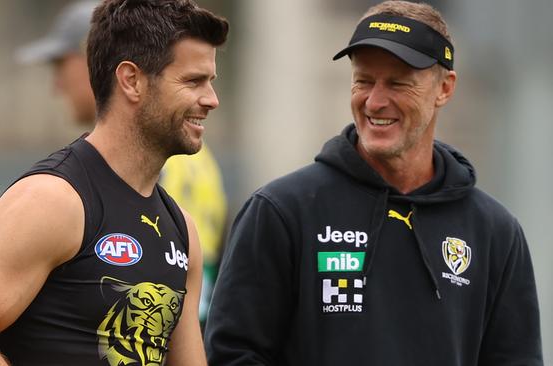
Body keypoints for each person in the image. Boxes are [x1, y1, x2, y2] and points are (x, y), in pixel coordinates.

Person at [204, 1, 542, 365]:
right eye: (364, 81)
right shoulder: (282, 212)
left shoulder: (494, 232)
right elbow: (232, 355)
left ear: (445, 88)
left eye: (398, 83)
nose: (375, 102)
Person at [0, 0, 229, 365]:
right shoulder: (52, 201)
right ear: (131, 80)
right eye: (193, 81)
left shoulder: (183, 231)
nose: (212, 100)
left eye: (210, 81)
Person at [16, 0, 228, 326]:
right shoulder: (189, 159)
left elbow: (160, 285)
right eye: (193, 81)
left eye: (61, 64)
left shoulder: (163, 164)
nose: (56, 85)